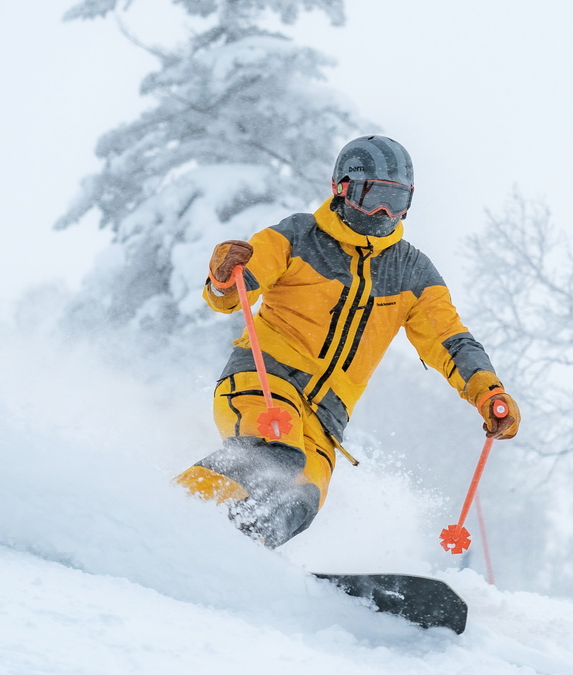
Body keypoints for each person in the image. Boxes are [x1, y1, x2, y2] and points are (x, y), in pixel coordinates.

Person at [175, 135, 520, 546]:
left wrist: (487, 391)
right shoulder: (299, 237)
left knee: (302, 495)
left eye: (397, 201)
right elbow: (234, 291)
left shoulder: (411, 272)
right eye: (374, 196)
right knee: (273, 452)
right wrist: (223, 276)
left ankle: (237, 548)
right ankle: (172, 513)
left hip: (325, 419)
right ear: (343, 188)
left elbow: (450, 338)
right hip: (263, 381)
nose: (383, 212)